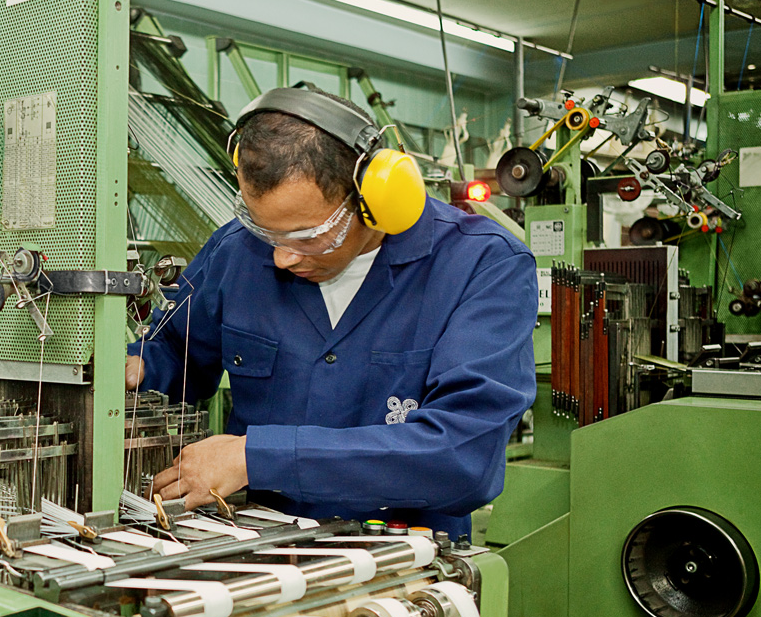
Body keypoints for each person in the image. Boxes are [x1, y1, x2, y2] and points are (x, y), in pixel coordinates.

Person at [126, 87, 537, 540]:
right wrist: (138, 366)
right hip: (253, 546)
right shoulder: (235, 253)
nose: (282, 257)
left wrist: (254, 457)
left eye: (308, 236)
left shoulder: (482, 266)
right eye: (265, 231)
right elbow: (176, 352)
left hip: (405, 557)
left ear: (375, 198)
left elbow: (463, 456)